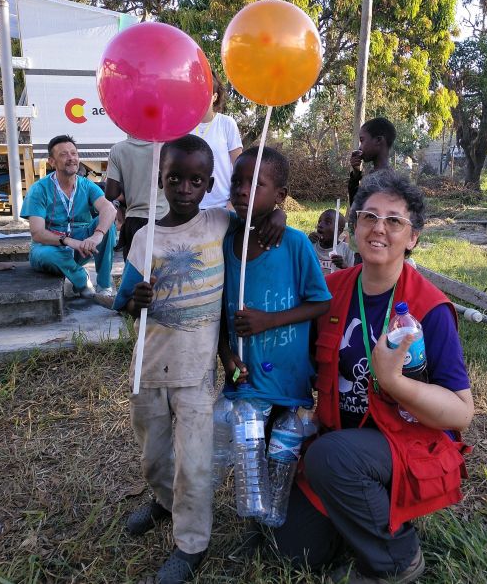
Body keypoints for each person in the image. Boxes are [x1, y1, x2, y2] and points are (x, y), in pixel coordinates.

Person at [273, 171, 474, 584]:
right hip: (340, 441)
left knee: (331, 458)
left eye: (394, 221)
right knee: (293, 550)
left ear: (412, 237)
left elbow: (460, 414)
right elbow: (297, 364)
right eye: (368, 217)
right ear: (355, 227)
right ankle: (358, 514)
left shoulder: (430, 308)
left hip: (407, 443)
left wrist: (395, 382)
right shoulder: (329, 292)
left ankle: (398, 558)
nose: (379, 228)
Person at [112, 135, 286, 584]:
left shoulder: (219, 224)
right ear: (160, 180)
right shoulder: (145, 236)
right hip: (148, 371)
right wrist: (136, 298)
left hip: (195, 374)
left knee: (195, 462)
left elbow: (257, 214)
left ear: (209, 183)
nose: (184, 188)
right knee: (154, 455)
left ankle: (191, 544)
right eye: (175, 179)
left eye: (194, 180)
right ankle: (163, 501)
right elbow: (122, 302)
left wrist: (280, 214)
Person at [219, 146, 331, 409]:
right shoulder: (225, 240)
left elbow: (322, 303)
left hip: (288, 387)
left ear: (280, 195)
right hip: (243, 385)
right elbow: (220, 312)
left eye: (256, 184)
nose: (242, 190)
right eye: (236, 181)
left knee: (284, 449)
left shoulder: (296, 244)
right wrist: (226, 355)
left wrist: (269, 320)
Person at [20, 135, 116, 297]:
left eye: (74, 153)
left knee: (107, 224)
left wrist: (97, 236)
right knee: (45, 253)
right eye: (64, 154)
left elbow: (109, 209)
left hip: (82, 246)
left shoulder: (87, 185)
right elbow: (37, 233)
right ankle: (81, 279)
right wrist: (67, 241)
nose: (71, 158)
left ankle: (105, 286)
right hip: (50, 247)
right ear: (52, 161)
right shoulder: (39, 189)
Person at [105, 135, 170, 261]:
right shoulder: (167, 146)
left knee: (134, 273)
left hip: (133, 221)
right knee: (163, 274)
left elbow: (111, 193)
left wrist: (129, 195)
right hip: (164, 220)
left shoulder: (118, 149)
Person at [189, 69, 243, 209]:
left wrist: (232, 202)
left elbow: (240, 167)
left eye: (205, 92)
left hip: (221, 208)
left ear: (214, 96)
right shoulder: (183, 124)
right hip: (188, 208)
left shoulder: (226, 124)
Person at [348, 117, 396, 206]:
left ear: (378, 140)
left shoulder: (385, 181)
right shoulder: (374, 175)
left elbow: (359, 212)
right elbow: (357, 208)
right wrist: (356, 174)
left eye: (362, 140)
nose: (360, 147)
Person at [308, 208, 355, 275]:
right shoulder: (311, 245)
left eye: (327, 222)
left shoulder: (347, 249)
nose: (320, 225)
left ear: (339, 230)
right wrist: (306, 243)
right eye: (319, 221)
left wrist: (345, 267)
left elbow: (353, 276)